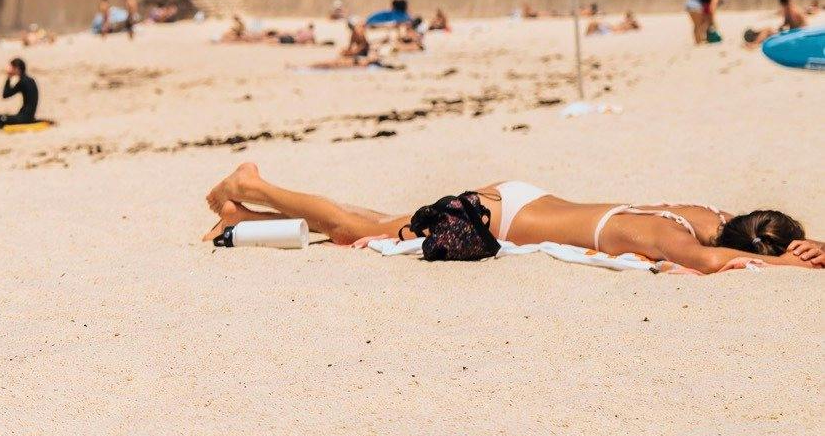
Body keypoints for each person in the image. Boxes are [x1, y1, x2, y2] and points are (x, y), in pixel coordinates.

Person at [203, 162, 823, 274]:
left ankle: (241, 213)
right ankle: (252, 186)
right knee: (351, 228)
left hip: (516, 199)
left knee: (370, 220)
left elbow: (728, 241)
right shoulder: (670, 234)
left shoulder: (700, 213)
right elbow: (713, 262)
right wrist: (789, 263)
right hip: (488, 221)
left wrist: (801, 242)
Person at [0, 58, 40, 129]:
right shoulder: (30, 80)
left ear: (17, 68)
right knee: (3, 117)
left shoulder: (22, 82)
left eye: (11, 68)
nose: (9, 70)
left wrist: (9, 78)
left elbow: (5, 95)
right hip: (30, 116)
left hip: (23, 118)